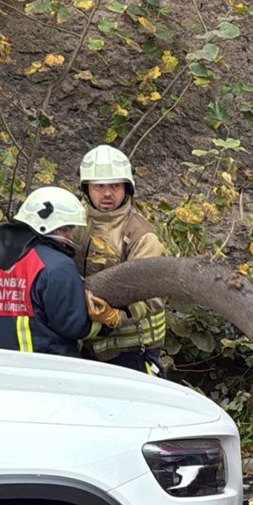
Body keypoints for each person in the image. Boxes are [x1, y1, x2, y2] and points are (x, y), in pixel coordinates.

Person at [0, 186, 121, 356]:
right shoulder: (58, 267)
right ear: (49, 227)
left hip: (3, 369)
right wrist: (106, 323)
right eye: (67, 228)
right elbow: (74, 326)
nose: (71, 236)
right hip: (50, 370)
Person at [72, 144, 169, 376]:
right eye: (99, 186)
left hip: (134, 349)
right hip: (87, 346)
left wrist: (117, 317)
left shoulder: (141, 234)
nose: (107, 193)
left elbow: (154, 296)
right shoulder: (74, 224)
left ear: (127, 188)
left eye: (115, 186)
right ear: (86, 188)